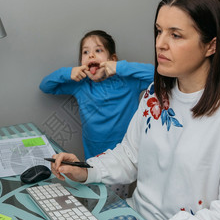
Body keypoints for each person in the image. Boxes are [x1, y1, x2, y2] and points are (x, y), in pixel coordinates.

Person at [49, 0, 220, 220]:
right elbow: (129, 155)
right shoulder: (157, 93)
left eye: (175, 35)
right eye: (158, 31)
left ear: (211, 45)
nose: (160, 44)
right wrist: (86, 169)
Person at [39, 30, 154, 160]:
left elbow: (157, 75)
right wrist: (68, 72)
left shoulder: (129, 81)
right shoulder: (80, 84)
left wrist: (119, 67)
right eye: (85, 52)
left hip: (127, 151)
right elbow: (45, 86)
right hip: (94, 155)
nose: (91, 55)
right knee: (96, 178)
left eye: (98, 50)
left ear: (112, 59)